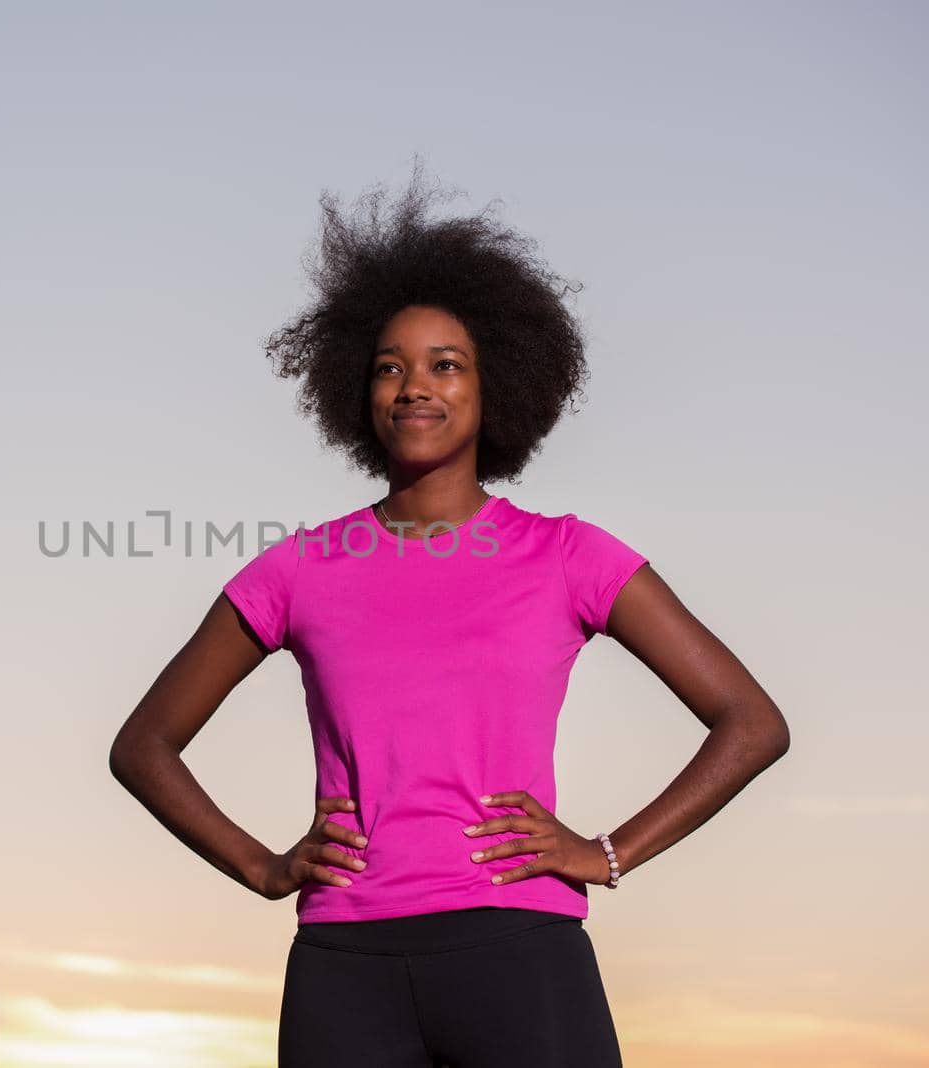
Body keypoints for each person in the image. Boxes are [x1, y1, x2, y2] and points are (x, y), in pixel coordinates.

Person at [108, 161, 791, 1068]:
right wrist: (263, 866)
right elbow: (143, 744)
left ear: (493, 384)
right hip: (344, 967)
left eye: (445, 365)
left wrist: (608, 852)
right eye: (390, 367)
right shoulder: (300, 569)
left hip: (521, 950)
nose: (413, 386)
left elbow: (752, 723)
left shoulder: (568, 556)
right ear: (359, 390)